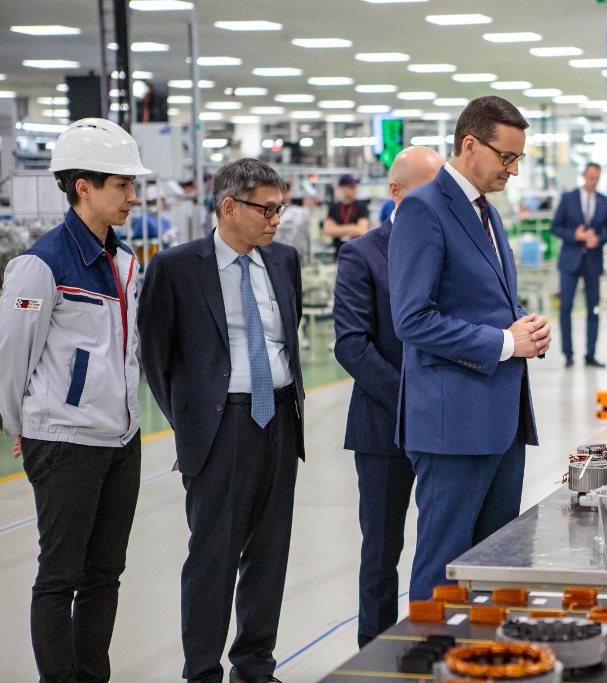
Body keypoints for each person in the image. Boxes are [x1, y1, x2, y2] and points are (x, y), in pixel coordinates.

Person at [138, 158, 305, 683]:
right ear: (229, 206)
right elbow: (155, 356)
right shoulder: (176, 267)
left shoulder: (284, 260)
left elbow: (287, 334)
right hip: (220, 426)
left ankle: (254, 666)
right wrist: (192, 423)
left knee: (270, 553)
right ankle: (203, 672)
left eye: (280, 209)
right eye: (266, 209)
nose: (275, 220)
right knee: (213, 556)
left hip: (279, 419)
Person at [0, 118, 150, 682]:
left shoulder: (125, 261)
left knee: (105, 574)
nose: (132, 197)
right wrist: (21, 424)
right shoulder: (40, 265)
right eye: (122, 185)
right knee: (60, 576)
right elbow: (10, 357)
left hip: (121, 439)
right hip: (64, 441)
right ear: (83, 186)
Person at [388, 96, 551, 601]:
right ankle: (429, 650)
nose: (514, 169)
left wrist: (524, 327)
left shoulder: (486, 213)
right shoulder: (423, 209)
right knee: (444, 570)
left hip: (501, 421)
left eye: (519, 158)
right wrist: (504, 342)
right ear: (471, 145)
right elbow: (412, 319)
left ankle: (479, 649)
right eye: (507, 157)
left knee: (494, 564)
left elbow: (482, 299)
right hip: (453, 427)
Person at [333, 146, 445, 647]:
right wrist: (414, 396)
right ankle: (373, 655)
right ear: (396, 192)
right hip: (384, 426)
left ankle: (434, 645)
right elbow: (352, 345)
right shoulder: (362, 254)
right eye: (429, 189)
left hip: (444, 424)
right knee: (381, 552)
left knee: (443, 545)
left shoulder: (449, 245)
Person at [551, 162, 607, 367]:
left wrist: (599, 239)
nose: (593, 181)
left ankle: (590, 354)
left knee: (593, 309)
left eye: (596, 178)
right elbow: (555, 227)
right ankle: (568, 354)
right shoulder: (568, 198)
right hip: (569, 261)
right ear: (584, 175)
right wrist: (575, 235)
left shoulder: (605, 202)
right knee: (566, 308)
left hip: (593, 262)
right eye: (590, 177)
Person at [323, 174, 369, 256]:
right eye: (351, 187)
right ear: (342, 188)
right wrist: (353, 227)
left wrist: (337, 229)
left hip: (358, 253)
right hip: (338, 253)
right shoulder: (334, 207)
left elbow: (361, 230)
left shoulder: (361, 207)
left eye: (355, 186)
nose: (355, 189)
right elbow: (328, 230)